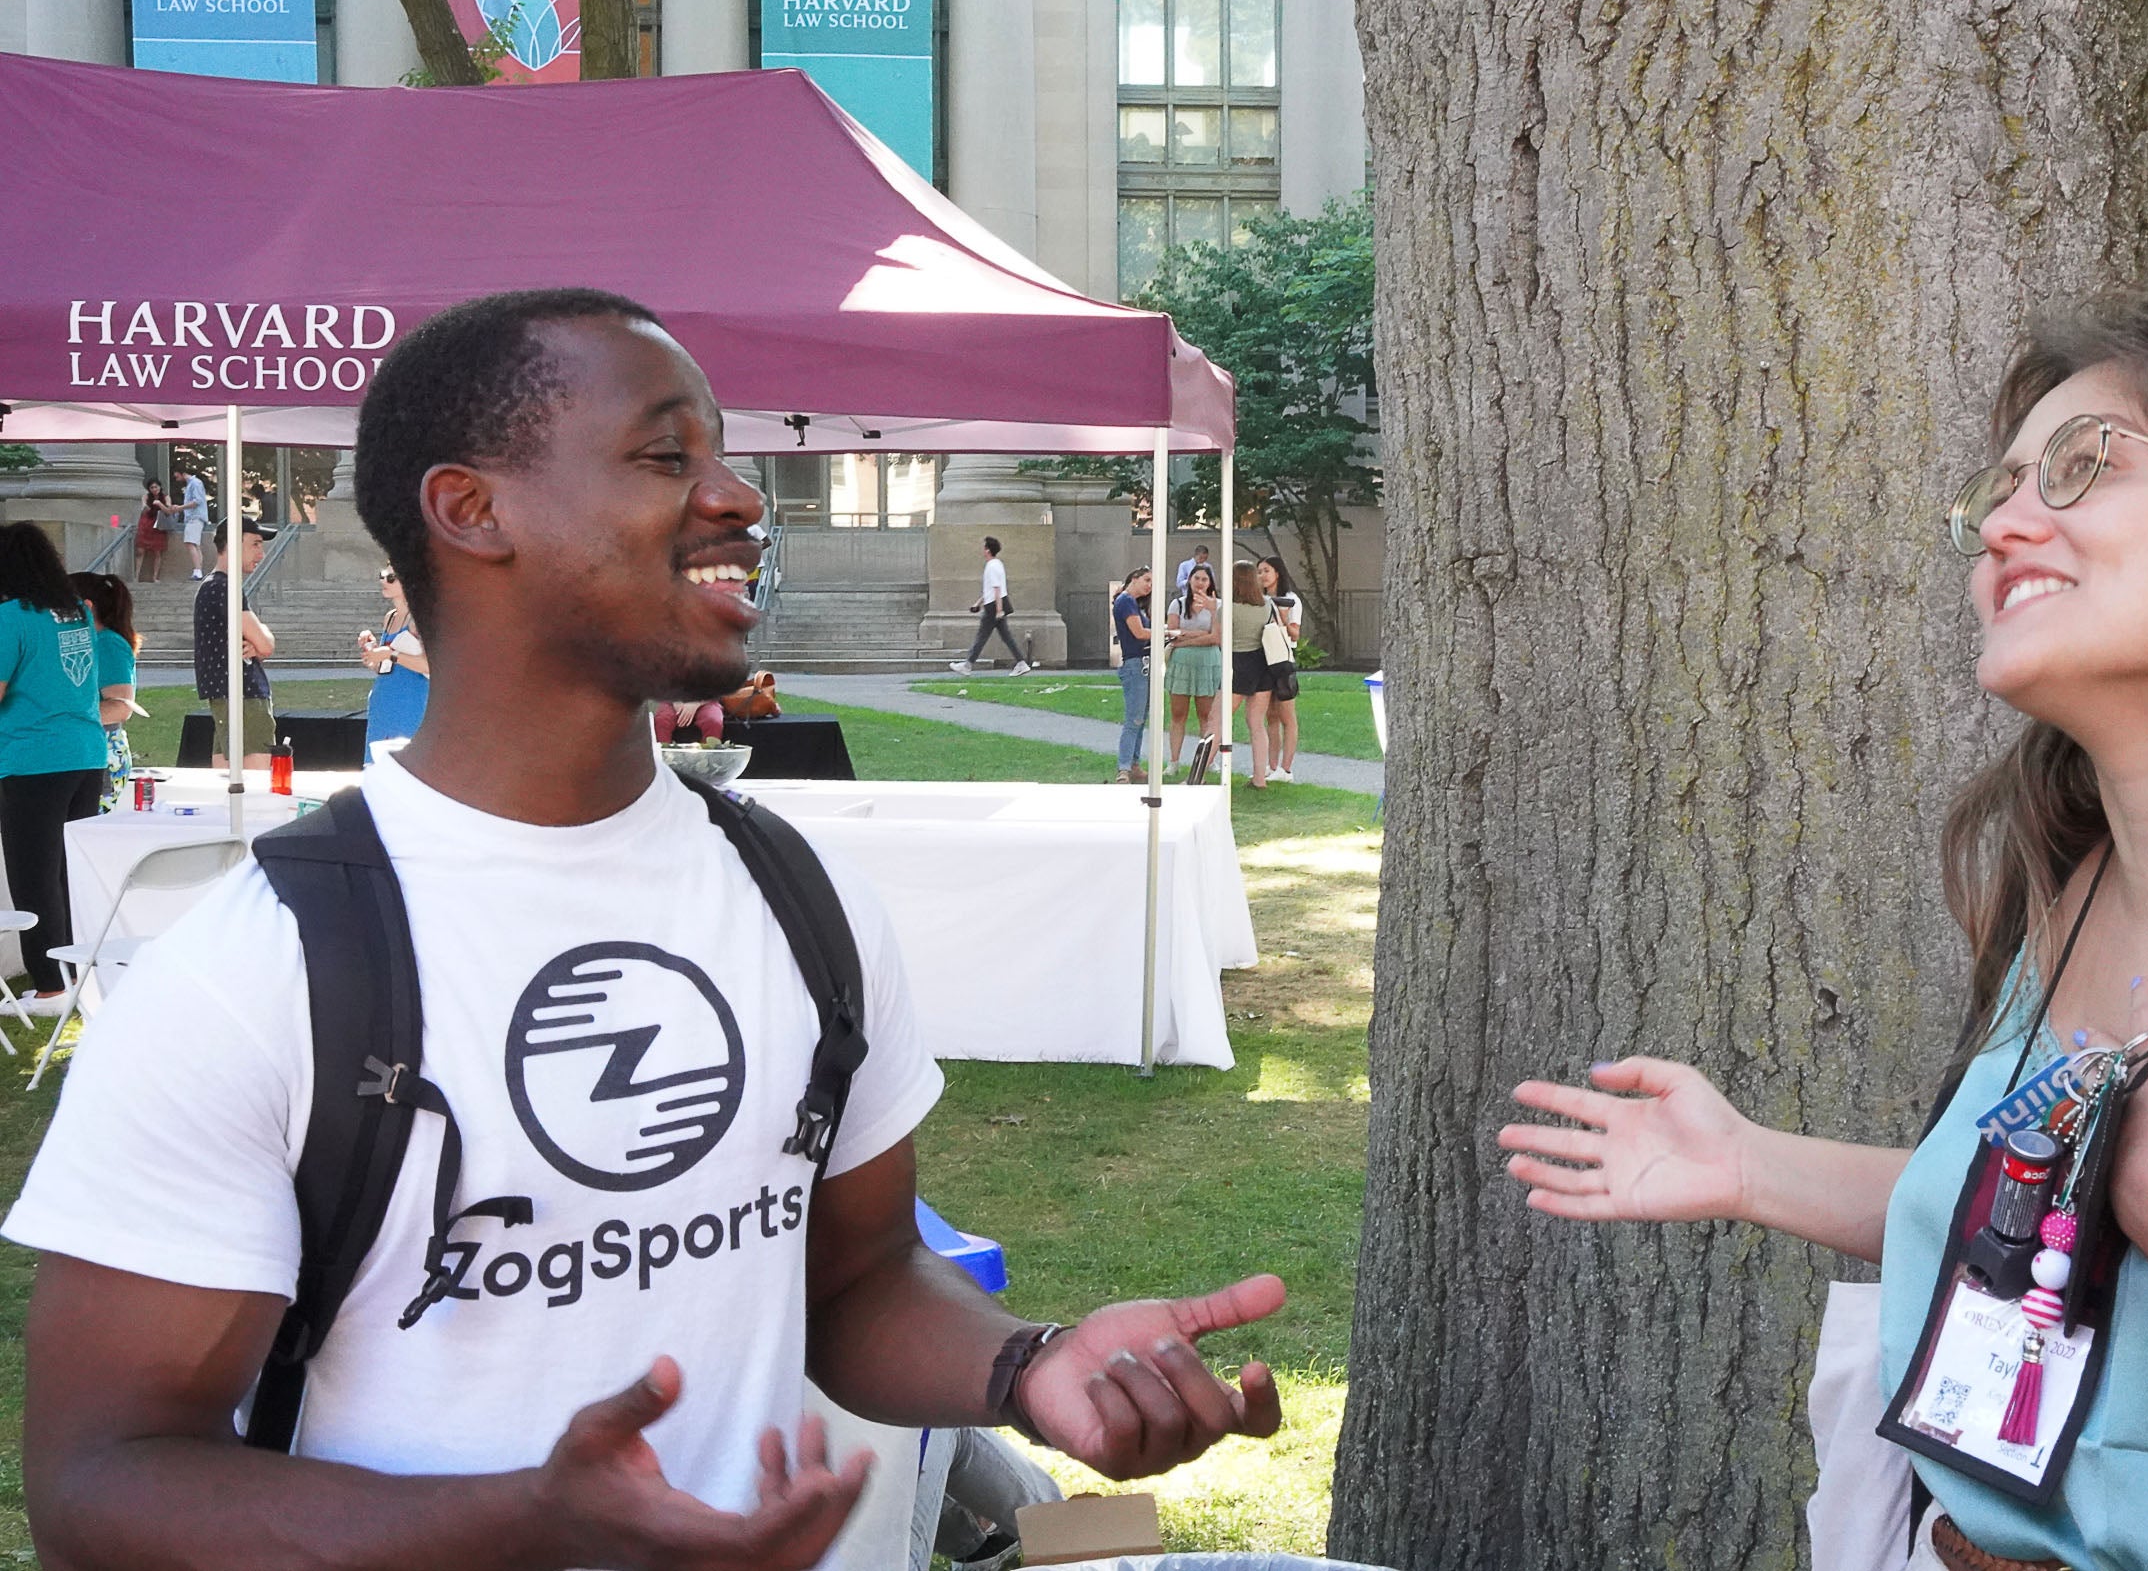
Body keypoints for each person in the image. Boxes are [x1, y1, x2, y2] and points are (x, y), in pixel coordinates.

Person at [6, 287, 1284, 1570]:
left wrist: (1031, 1367)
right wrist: (517, 1520)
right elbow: (100, 1480)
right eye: (669, 455)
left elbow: (856, 1278)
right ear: (471, 510)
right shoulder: (254, 969)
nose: (737, 495)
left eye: (723, 456)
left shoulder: (806, 901)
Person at [1501, 296, 2148, 1571]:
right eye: (1994, 494)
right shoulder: (2077, 885)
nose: (2001, 526)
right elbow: (2057, 1220)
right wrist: (1746, 1162)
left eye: (2085, 464)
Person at [0, 525, 110, 1005]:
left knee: (34, 875)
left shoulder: (10, 618)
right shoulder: (77, 614)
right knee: (68, 872)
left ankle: (49, 986)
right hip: (84, 754)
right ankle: (75, 974)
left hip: (32, 760)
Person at [192, 517, 275, 769]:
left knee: (225, 785)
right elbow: (266, 645)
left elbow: (261, 643)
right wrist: (261, 639)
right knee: (254, 785)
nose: (261, 553)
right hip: (243, 694)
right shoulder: (223, 587)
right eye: (255, 544)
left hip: (228, 695)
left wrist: (260, 640)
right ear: (231, 544)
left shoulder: (213, 586)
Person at [67, 573, 140, 814]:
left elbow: (121, 706)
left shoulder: (108, 643)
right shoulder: (92, 642)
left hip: (102, 754)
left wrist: (65, 717)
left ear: (86, 606)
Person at [358, 565, 431, 762]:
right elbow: (386, 667)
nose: (384, 581)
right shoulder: (390, 617)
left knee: (406, 766)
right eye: (382, 576)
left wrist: (390, 653)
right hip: (383, 701)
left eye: (391, 578)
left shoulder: (420, 618)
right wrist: (373, 653)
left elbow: (429, 666)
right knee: (376, 766)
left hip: (410, 702)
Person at [1164, 563, 1221, 767]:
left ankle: (1206, 761)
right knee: (1178, 714)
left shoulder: (1218, 606)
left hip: (1208, 662)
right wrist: (1201, 635)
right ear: (1189, 580)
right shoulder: (1177, 605)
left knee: (1205, 714)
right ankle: (1174, 761)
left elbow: (1216, 638)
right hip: (1182, 663)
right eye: (1196, 578)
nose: (1200, 583)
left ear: (1210, 582)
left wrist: (1187, 637)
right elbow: (1172, 635)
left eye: (1204, 579)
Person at [1225, 564, 1273, 789]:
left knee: (1219, 721)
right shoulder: (1267, 605)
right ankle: (1259, 778)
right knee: (1257, 723)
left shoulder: (1229, 609)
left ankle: (1199, 774)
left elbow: (1219, 637)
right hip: (1262, 663)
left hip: (1237, 663)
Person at [951, 535, 1028, 676]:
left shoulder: (991, 566)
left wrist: (998, 610)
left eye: (984, 547)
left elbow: (996, 589)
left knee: (982, 636)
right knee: (1006, 636)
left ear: (987, 550)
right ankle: (1021, 663)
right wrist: (978, 603)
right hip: (995, 604)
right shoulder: (998, 564)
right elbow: (992, 589)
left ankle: (967, 665)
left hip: (993, 606)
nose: (982, 549)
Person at [1256, 557, 1302, 784]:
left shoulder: (1291, 600)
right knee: (1270, 716)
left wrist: (1283, 618)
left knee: (1287, 716)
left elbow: (1295, 634)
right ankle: (1271, 766)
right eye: (1259, 572)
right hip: (1263, 659)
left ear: (1278, 573)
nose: (1262, 575)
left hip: (1282, 660)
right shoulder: (1259, 601)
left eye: (1266, 570)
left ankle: (1286, 768)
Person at [1112, 567, 1155, 784]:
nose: (1149, 586)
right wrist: (1165, 631)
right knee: (1134, 718)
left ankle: (1134, 765)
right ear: (1134, 579)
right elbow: (1138, 633)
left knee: (1140, 718)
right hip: (1135, 664)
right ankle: (1124, 767)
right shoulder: (1126, 601)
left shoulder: (1134, 604)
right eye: (1146, 580)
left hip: (1143, 663)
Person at [134, 479, 171, 584]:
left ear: (160, 487)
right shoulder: (146, 496)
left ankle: (155, 577)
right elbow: (144, 508)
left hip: (159, 525)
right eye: (152, 488)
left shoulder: (165, 497)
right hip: (146, 524)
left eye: (156, 487)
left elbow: (169, 511)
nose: (154, 489)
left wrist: (160, 504)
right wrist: (145, 506)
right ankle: (136, 576)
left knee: (157, 552)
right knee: (140, 550)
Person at [178, 468, 209, 580]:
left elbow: (197, 501)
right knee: (195, 544)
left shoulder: (195, 483)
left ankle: (197, 571)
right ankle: (198, 570)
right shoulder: (192, 484)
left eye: (176, 474)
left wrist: (180, 508)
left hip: (195, 517)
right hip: (195, 517)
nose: (175, 477)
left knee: (190, 543)